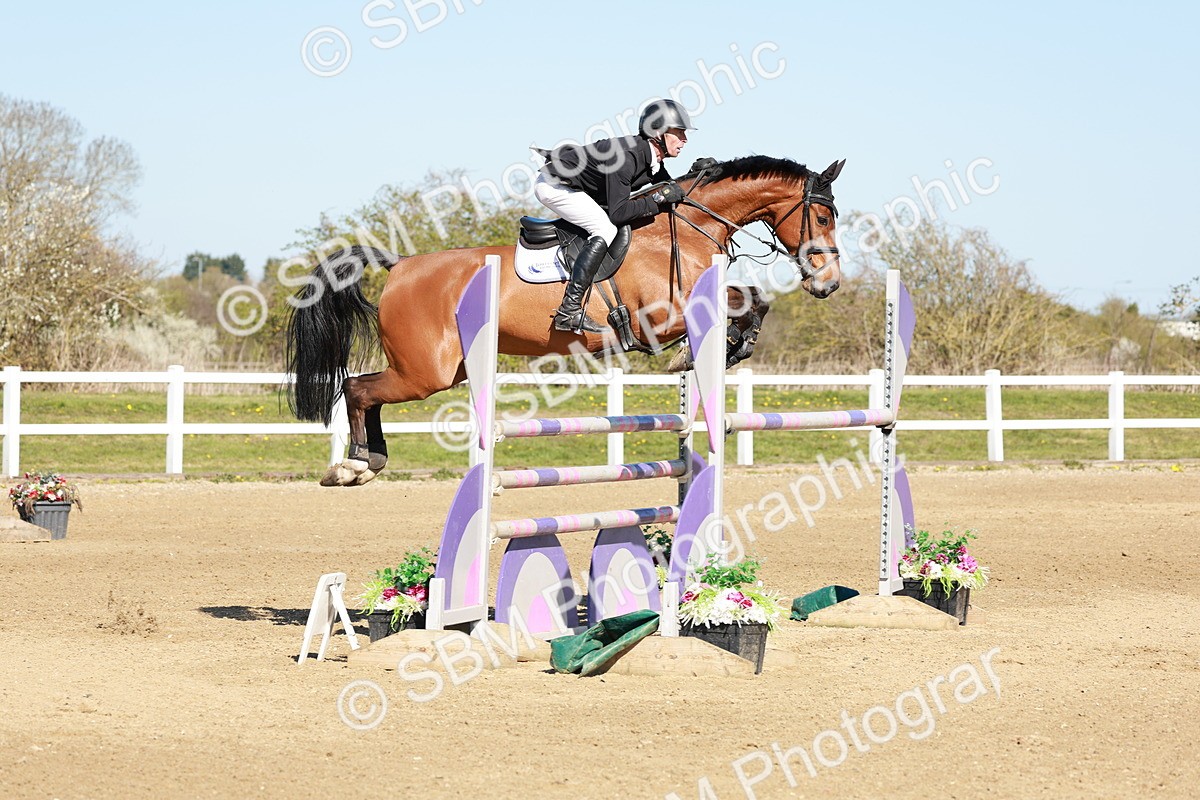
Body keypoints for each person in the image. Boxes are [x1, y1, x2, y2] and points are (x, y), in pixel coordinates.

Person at [535, 98, 696, 333]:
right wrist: (656, 201)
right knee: (605, 228)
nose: (685, 139)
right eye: (679, 132)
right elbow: (619, 214)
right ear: (659, 133)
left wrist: (698, 176)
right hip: (554, 185)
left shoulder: (652, 159)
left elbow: (672, 189)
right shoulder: (627, 158)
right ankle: (568, 310)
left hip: (578, 188)